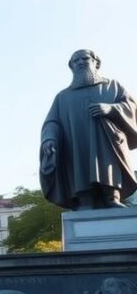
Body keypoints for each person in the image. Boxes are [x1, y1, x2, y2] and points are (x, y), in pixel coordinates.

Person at [41, 49, 137, 210]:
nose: (79, 62)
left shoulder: (112, 86)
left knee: (107, 164)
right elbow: (52, 122)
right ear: (71, 66)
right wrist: (49, 138)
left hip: (106, 140)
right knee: (79, 166)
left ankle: (111, 198)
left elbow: (131, 107)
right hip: (75, 144)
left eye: (84, 58)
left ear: (95, 62)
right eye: (75, 61)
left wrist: (111, 109)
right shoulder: (62, 97)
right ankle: (85, 201)